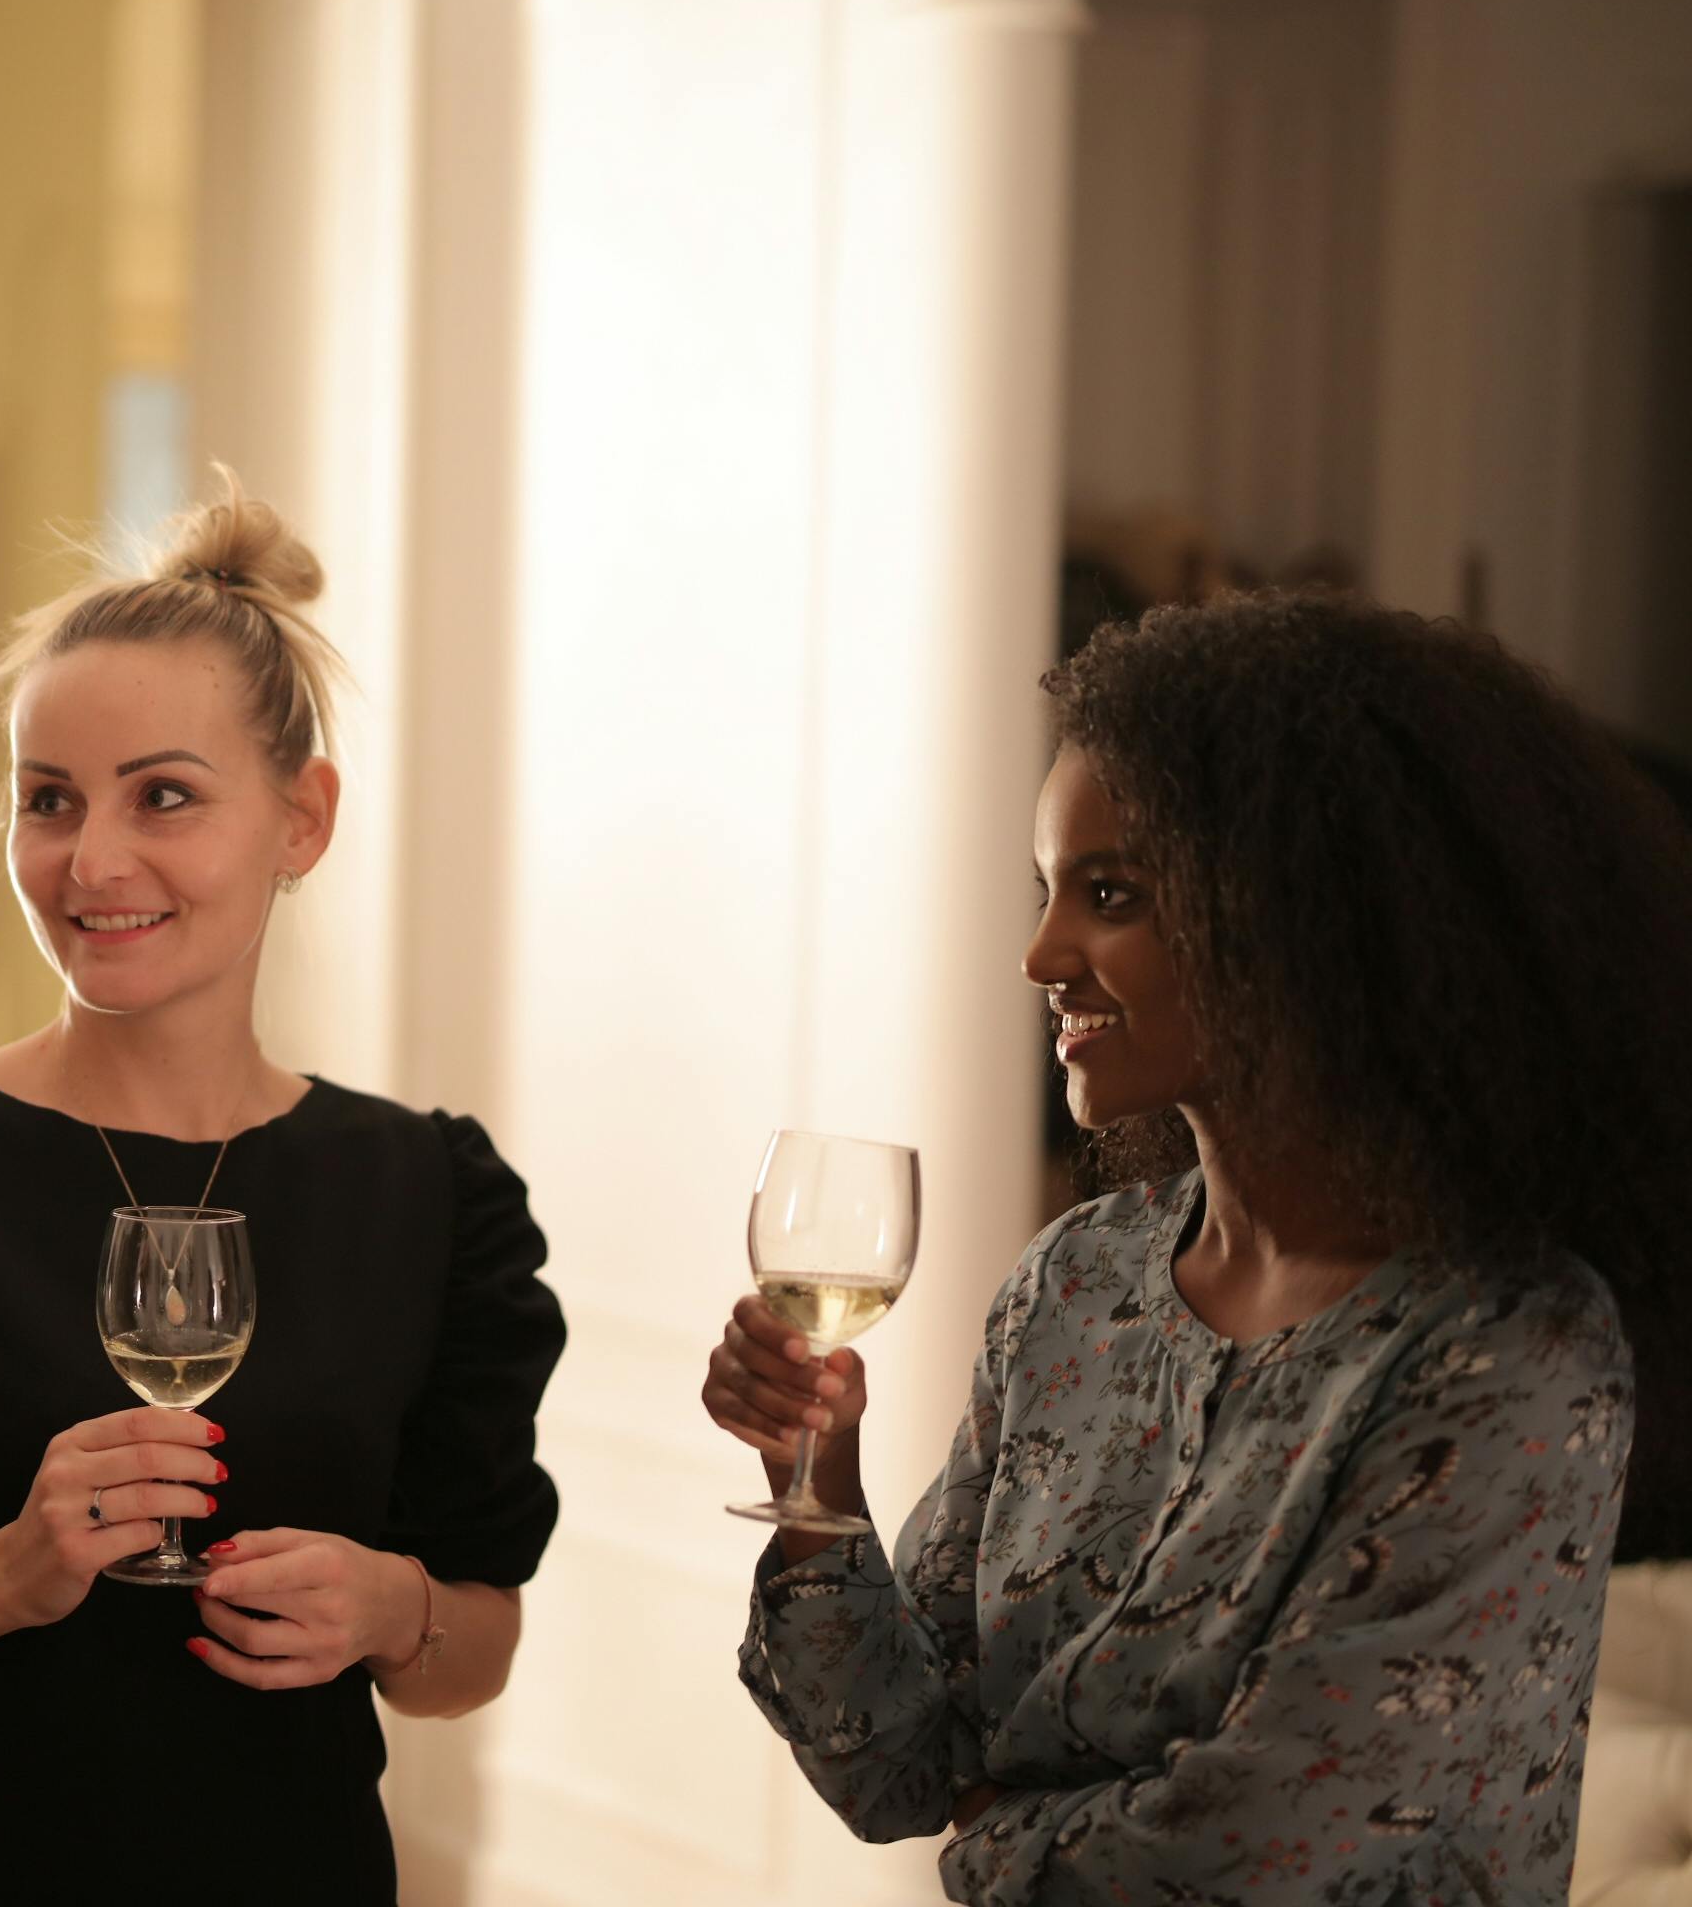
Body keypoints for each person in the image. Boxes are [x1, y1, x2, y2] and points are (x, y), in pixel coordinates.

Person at [0, 476, 568, 1902]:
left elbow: (470, 1650)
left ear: (302, 819)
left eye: (166, 798)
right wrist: (0, 1576)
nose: (92, 860)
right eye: (49, 802)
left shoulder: (428, 1196)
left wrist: (394, 1609)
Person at [712, 592, 1692, 1902]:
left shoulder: (1512, 1347)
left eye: (1108, 893)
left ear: (1299, 917)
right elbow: (899, 1762)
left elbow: (1276, 1851)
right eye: (1048, 892)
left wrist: (991, 1828)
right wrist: (817, 1482)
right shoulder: (1076, 1286)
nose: (1041, 953)